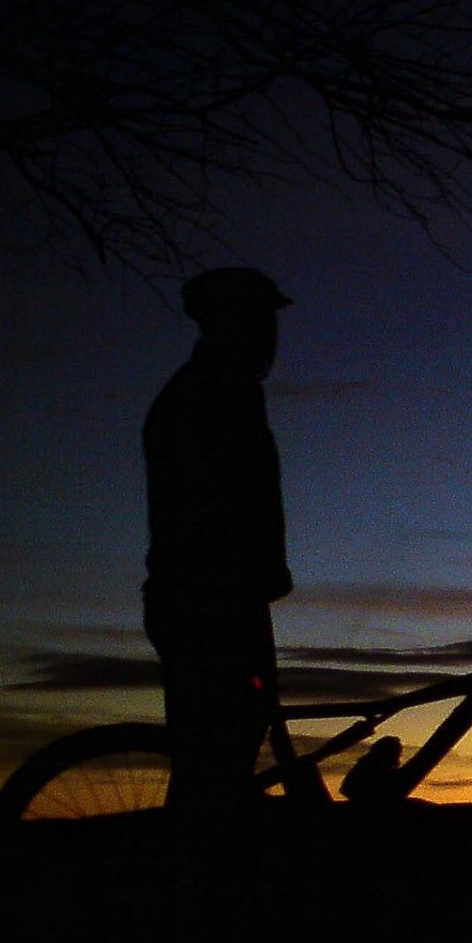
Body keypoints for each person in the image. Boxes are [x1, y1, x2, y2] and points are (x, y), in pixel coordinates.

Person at [142, 267, 295, 826]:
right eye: (260, 321)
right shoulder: (213, 395)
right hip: (210, 602)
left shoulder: (220, 389)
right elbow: (220, 501)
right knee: (216, 761)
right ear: (231, 323)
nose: (270, 337)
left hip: (219, 596)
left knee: (223, 759)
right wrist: (254, 569)